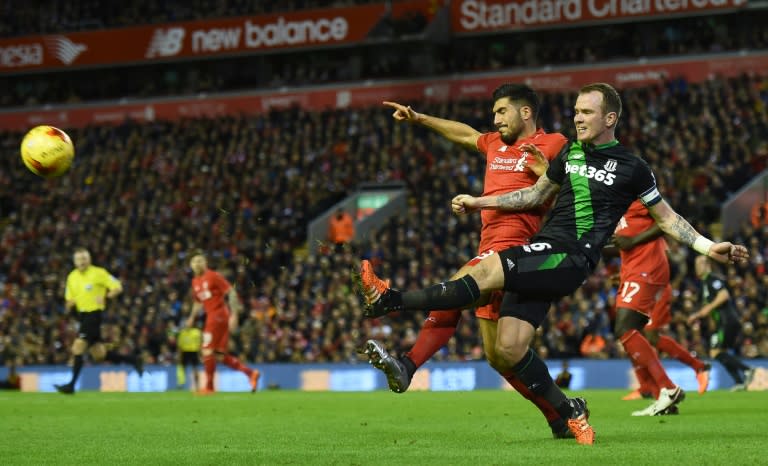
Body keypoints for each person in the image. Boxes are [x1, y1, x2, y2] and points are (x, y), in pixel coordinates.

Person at [358, 82, 749, 445]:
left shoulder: (632, 166)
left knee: (480, 273)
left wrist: (706, 245)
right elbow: (532, 195)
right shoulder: (570, 154)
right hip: (545, 252)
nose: (578, 117)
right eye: (576, 111)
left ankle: (390, 299)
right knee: (507, 350)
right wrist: (481, 201)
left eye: (587, 112)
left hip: (569, 255)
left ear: (609, 119)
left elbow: (665, 216)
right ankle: (568, 413)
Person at [364, 84, 574, 438]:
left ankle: (406, 359)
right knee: (499, 356)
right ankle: (560, 418)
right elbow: (466, 134)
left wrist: (543, 173)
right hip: (489, 243)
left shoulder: (554, 144)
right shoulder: (494, 143)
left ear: (525, 112)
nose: (495, 120)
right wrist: (420, 118)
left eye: (501, 112)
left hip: (515, 247)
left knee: (458, 287)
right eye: (493, 114)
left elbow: (572, 195)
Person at [611, 200, 711, 415]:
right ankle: (661, 395)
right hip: (634, 270)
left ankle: (668, 386)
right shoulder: (615, 206)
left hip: (646, 269)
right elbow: (623, 243)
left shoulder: (634, 194)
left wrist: (633, 241)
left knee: (629, 330)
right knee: (638, 334)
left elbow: (667, 221)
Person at [55, 248, 143, 394]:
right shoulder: (72, 277)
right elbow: (69, 299)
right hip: (82, 316)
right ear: (74, 262)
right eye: (79, 259)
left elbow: (117, 287)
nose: (82, 262)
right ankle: (134, 360)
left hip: (94, 314)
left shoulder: (99, 273)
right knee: (99, 354)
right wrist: (69, 304)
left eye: (84, 258)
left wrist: (107, 297)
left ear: (89, 259)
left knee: (77, 348)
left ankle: (71, 385)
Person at [186, 249, 260, 394]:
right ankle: (251, 374)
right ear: (191, 265)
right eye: (194, 262)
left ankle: (209, 388)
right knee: (219, 355)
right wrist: (191, 317)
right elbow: (197, 302)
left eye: (200, 260)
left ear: (205, 263)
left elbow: (231, 292)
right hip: (213, 316)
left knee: (207, 350)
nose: (197, 264)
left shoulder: (213, 276)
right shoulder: (195, 282)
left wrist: (234, 314)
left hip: (218, 315)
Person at [687, 255, 756, 391]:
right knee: (719, 352)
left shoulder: (713, 279)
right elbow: (705, 308)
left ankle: (747, 370)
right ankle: (740, 381)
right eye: (696, 264)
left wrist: (708, 309)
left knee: (715, 352)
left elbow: (724, 295)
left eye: (699, 263)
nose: (696, 267)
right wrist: (697, 315)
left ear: (707, 265)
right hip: (721, 322)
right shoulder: (704, 284)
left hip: (728, 320)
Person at [176, 323, 202, 391]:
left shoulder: (196, 332)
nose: (188, 324)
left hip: (194, 352)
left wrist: (199, 354)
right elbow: (180, 346)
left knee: (195, 369)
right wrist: (179, 355)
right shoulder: (182, 333)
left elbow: (199, 344)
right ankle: (180, 383)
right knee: (182, 368)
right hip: (185, 352)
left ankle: (197, 385)